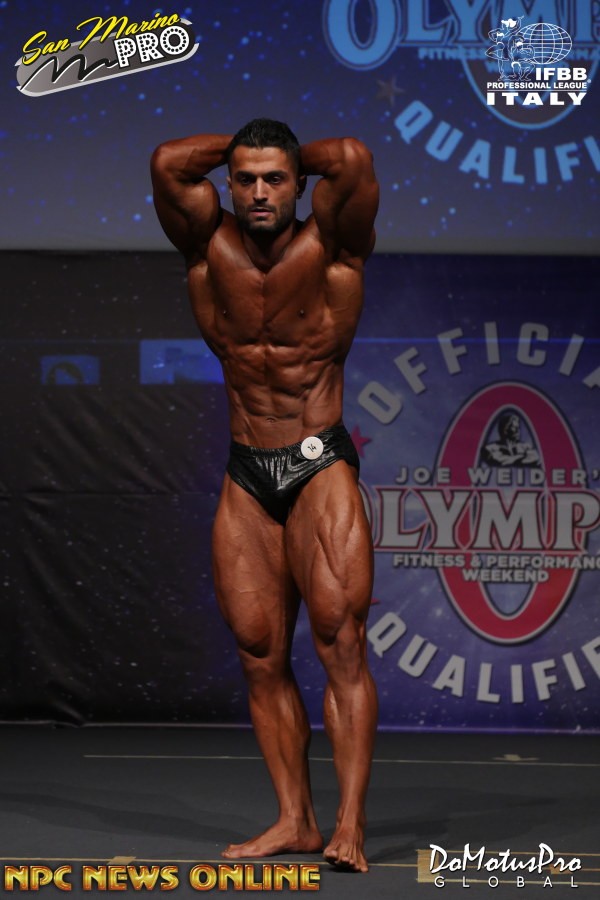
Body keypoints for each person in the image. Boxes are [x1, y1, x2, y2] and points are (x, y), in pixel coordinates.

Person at [150, 118, 379, 872]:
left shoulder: (334, 248)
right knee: (258, 653)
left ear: (299, 184)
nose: (257, 192)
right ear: (227, 182)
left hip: (318, 463)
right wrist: (251, 149)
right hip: (247, 470)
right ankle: (294, 820)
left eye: (274, 178)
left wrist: (281, 146)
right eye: (244, 179)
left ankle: (348, 823)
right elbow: (167, 162)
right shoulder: (205, 247)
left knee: (340, 642)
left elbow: (351, 159)